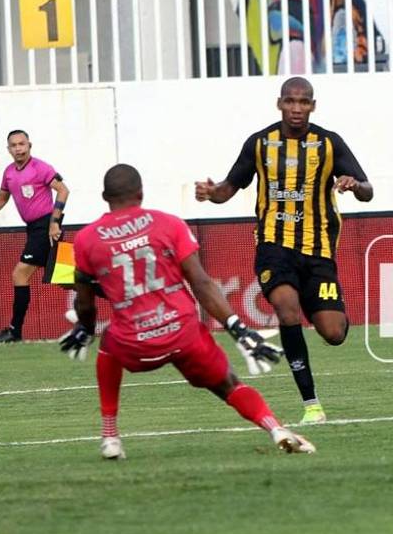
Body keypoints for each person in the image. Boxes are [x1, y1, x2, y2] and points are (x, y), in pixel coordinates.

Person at [61, 164, 313, 459]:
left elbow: (85, 303)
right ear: (141, 193)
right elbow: (201, 283)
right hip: (183, 334)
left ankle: (110, 437)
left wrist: (85, 328)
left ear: (105, 197)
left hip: (135, 341)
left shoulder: (86, 239)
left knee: (107, 343)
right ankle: (275, 428)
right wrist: (237, 328)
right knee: (228, 385)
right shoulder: (168, 224)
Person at [195, 76, 372, 424]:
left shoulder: (329, 143)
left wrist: (354, 185)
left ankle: (320, 306)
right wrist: (211, 193)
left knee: (334, 333)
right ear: (279, 104)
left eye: (303, 102)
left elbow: (368, 190)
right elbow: (228, 189)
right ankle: (312, 405)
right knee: (286, 309)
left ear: (313, 106)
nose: (296, 108)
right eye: (290, 101)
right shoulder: (260, 144)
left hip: (318, 250)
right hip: (273, 247)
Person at [0, 130, 70, 343]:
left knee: (20, 274)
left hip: (45, 227)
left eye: (22, 144)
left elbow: (63, 190)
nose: (18, 148)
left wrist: (54, 222)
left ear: (29, 145)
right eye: (14, 145)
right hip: (33, 229)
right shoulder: (9, 172)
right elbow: (2, 199)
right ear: (9, 149)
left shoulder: (40, 168)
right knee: (68, 276)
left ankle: (14, 331)